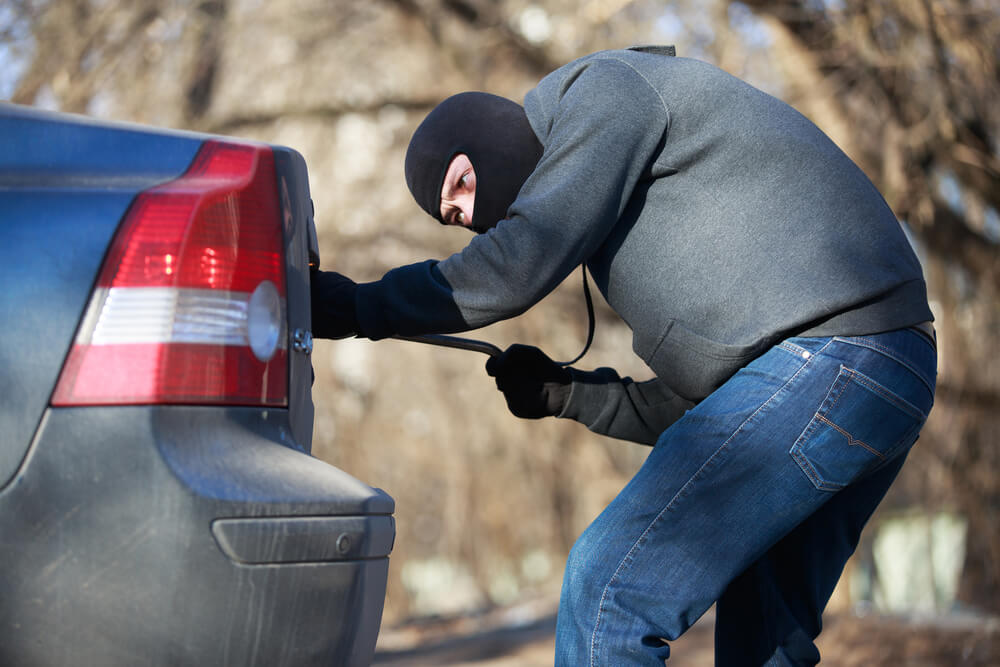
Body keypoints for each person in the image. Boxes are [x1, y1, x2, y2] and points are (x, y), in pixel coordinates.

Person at [311, 46, 937, 665]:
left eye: (463, 184)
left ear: (494, 135)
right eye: (455, 217)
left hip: (841, 353)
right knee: (762, 642)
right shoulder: (678, 240)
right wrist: (571, 394)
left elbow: (513, 266)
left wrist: (355, 308)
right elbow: (721, 415)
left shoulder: (606, 91)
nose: (472, 216)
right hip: (877, 374)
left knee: (611, 587)